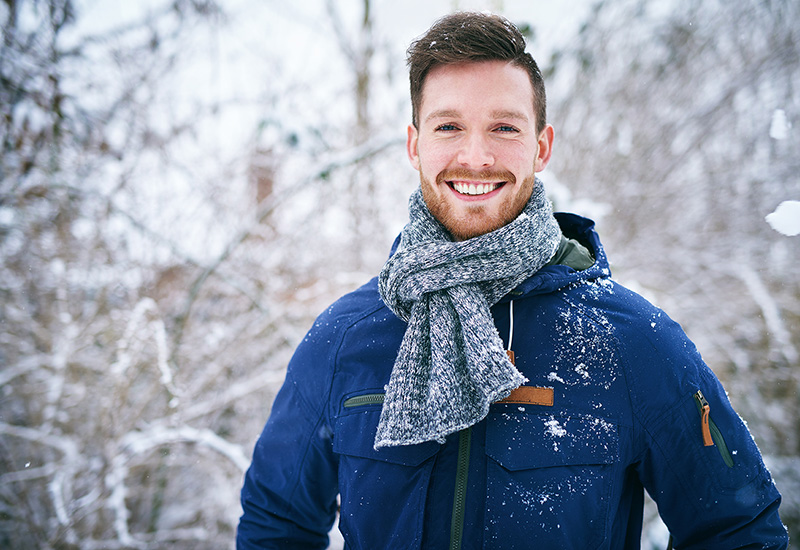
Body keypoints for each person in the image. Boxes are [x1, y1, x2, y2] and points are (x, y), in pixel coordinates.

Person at [237, 12, 788, 549]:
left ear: (541, 146)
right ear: (414, 145)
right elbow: (275, 525)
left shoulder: (631, 341)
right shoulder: (345, 339)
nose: (475, 156)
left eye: (503, 128)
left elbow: (737, 530)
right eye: (449, 126)